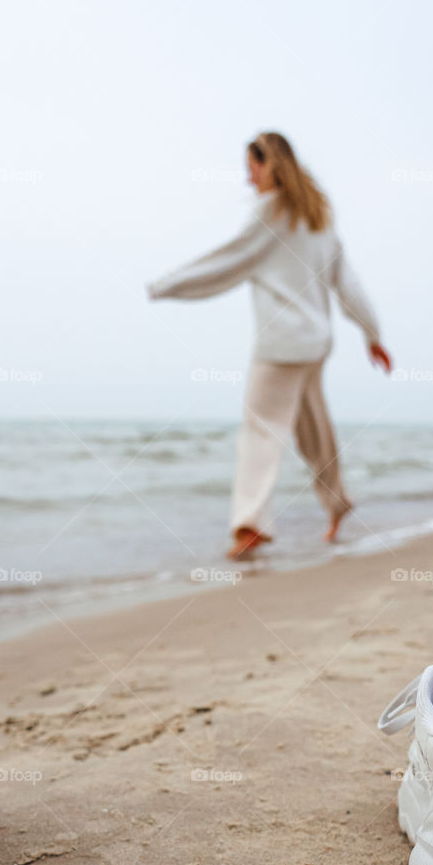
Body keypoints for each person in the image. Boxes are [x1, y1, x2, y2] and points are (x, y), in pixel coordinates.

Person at [147, 131, 392, 559]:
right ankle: (338, 504)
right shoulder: (318, 219)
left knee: (261, 431)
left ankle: (251, 524)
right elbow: (348, 285)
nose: (248, 180)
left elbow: (226, 261)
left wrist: (164, 286)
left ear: (271, 165)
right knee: (314, 429)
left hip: (280, 347)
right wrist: (373, 335)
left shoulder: (270, 214)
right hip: (316, 344)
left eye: (252, 169)